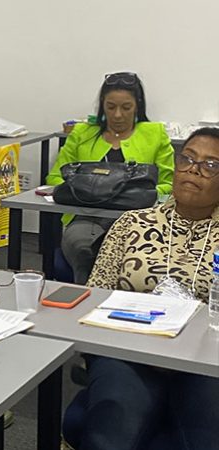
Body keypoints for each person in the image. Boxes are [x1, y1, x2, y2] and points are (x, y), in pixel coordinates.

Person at [64, 128, 219, 449]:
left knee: (205, 436)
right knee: (111, 433)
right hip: (129, 351)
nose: (193, 170)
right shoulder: (132, 223)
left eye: (210, 165)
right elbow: (95, 296)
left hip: (206, 360)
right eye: (188, 159)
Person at [46, 72, 175, 284]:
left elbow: (169, 185)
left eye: (126, 107)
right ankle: (90, 296)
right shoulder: (82, 133)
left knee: (132, 254)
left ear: (138, 106)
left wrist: (141, 195)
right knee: (84, 249)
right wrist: (90, 192)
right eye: (111, 107)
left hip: (138, 220)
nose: (117, 115)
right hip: (85, 217)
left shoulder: (155, 134)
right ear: (102, 106)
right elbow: (54, 178)